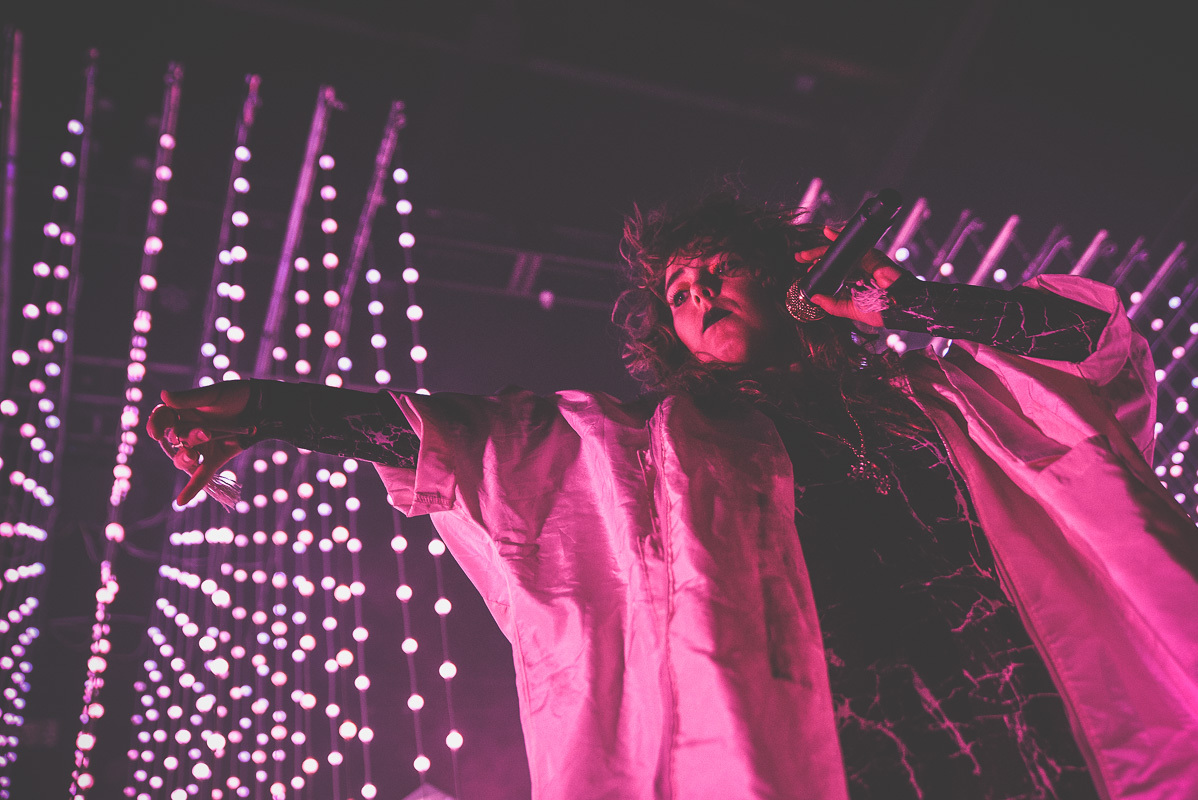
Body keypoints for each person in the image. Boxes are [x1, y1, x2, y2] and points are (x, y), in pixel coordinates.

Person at [148, 191, 1198, 800]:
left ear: (789, 279)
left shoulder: (951, 398)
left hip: (1035, 735)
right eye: (678, 292)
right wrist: (276, 409)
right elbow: (475, 443)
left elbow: (1094, 351)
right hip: (850, 752)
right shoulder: (664, 455)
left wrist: (902, 299)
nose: (693, 292)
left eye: (713, 269)